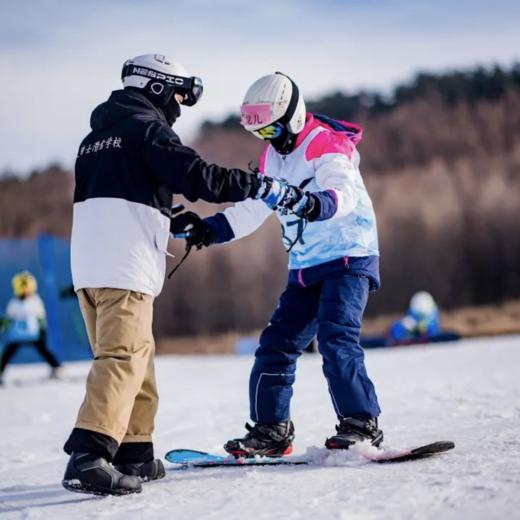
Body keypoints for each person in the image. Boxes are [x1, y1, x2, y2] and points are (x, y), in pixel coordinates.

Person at [62, 55, 306, 496]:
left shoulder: (95, 139)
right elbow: (195, 176)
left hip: (90, 266)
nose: (179, 105)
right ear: (156, 88)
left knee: (137, 356)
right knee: (122, 358)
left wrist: (164, 215)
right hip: (124, 265)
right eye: (179, 94)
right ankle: (89, 456)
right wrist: (256, 185)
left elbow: (122, 196)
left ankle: (134, 451)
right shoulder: (145, 128)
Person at [170, 72, 383, 458]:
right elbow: (255, 208)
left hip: (348, 257)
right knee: (276, 346)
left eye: (272, 131)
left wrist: (311, 202)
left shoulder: (326, 143)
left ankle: (361, 423)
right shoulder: (274, 157)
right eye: (260, 134)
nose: (267, 141)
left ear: (294, 118)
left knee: (336, 339)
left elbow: (341, 193)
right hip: (305, 266)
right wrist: (208, 230)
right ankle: (271, 431)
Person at [0, 271, 61, 385]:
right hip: (17, 336)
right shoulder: (14, 303)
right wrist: (4, 325)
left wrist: (43, 331)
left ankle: (57, 368)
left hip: (34, 334)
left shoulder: (35, 301)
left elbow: (41, 317)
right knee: (8, 352)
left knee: (43, 350)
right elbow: (9, 318)